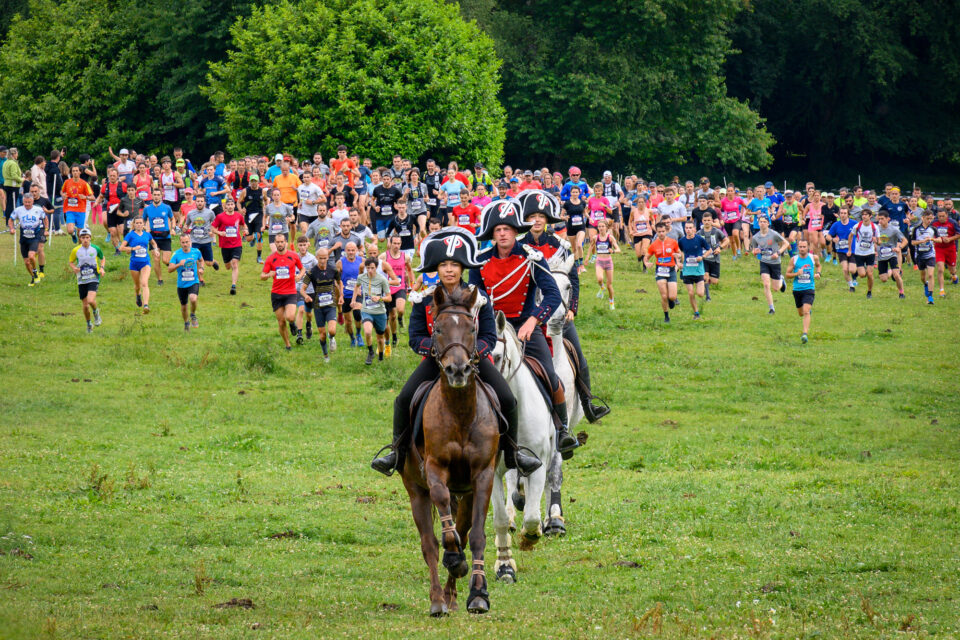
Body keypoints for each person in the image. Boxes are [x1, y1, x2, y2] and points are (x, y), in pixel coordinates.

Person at [371, 227, 541, 477]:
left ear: (463, 268)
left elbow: (489, 337)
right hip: (437, 362)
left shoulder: (479, 298)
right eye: (443, 265)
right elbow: (415, 338)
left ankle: (514, 451)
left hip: (474, 362)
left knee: (507, 398)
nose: (449, 270)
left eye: (454, 264)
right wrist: (438, 352)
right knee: (404, 398)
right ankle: (396, 451)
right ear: (436, 269)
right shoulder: (423, 299)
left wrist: (474, 354)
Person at [471, 199, 579, 456]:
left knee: (551, 377)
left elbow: (552, 295)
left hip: (525, 326)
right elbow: (475, 297)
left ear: (516, 231)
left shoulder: (533, 258)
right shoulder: (480, 261)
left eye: (507, 229)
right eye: (497, 230)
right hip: (492, 329)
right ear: (492, 234)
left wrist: (534, 320)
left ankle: (562, 430)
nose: (502, 233)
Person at [516, 190, 609, 423]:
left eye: (541, 215)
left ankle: (588, 403)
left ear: (547, 219)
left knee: (579, 356)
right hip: (528, 314)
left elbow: (573, 279)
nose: (536, 220)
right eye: (532, 216)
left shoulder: (561, 245)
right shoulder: (517, 246)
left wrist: (571, 309)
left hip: (557, 314)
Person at [260, 233, 303, 350]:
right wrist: (270, 274)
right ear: (275, 243)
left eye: (281, 242)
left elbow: (302, 268)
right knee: (281, 322)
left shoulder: (293, 256)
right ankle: (287, 345)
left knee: (290, 317)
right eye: (277, 242)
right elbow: (262, 276)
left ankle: (292, 324)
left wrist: (299, 276)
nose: (279, 244)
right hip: (277, 293)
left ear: (285, 242)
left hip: (290, 292)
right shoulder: (270, 258)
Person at [300, 247, 342, 362]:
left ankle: (332, 337)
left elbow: (339, 282)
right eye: (320, 258)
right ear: (317, 258)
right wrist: (306, 296)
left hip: (331, 305)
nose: (323, 261)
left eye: (325, 258)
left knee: (332, 330)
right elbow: (302, 289)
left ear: (328, 258)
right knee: (322, 334)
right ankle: (326, 356)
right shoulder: (312, 272)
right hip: (318, 307)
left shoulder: (333, 270)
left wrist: (341, 295)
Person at [352, 257, 392, 365]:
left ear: (376, 267)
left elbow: (389, 298)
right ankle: (370, 352)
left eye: (372, 268)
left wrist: (379, 298)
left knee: (380, 339)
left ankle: (380, 358)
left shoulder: (382, 280)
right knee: (368, 331)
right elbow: (356, 286)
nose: (370, 270)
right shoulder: (361, 277)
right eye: (368, 268)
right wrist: (353, 300)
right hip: (366, 310)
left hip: (380, 312)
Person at [748, 215, 790, 314]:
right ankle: (771, 308)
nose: (762, 223)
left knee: (776, 288)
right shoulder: (755, 237)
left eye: (764, 222)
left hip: (775, 262)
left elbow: (786, 244)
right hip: (764, 262)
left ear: (768, 223)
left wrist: (778, 253)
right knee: (766, 284)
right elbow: (754, 250)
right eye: (760, 222)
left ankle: (781, 279)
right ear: (758, 223)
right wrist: (755, 252)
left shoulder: (774, 234)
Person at [381, 233, 414, 351]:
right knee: (392, 316)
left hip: (400, 287)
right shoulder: (384, 256)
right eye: (394, 243)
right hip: (388, 289)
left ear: (401, 244)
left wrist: (412, 284)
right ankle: (394, 335)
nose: (396, 246)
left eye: (398, 243)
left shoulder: (405, 257)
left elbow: (410, 270)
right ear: (390, 243)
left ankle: (401, 318)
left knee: (400, 310)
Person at [120, 216, 159, 312]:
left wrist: (155, 250)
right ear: (133, 225)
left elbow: (153, 243)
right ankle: (138, 295)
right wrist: (132, 249)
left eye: (140, 223)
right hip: (134, 264)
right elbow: (121, 248)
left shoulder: (147, 235)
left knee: (144, 283)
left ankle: (146, 305)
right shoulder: (130, 235)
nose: (139, 225)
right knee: (137, 286)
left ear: (143, 224)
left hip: (145, 262)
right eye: (137, 223)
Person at [784, 239, 820, 343]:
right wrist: (796, 274)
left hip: (809, 289)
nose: (802, 249)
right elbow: (787, 274)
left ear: (808, 247)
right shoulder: (794, 260)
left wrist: (818, 273)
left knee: (805, 311)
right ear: (798, 248)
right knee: (801, 313)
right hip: (797, 290)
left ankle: (805, 334)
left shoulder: (813, 258)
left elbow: (819, 266)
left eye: (804, 247)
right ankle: (806, 311)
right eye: (800, 247)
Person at [68, 228, 104, 332]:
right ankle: (89, 324)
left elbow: (102, 258)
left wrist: (102, 268)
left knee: (91, 300)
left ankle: (96, 313)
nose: (85, 240)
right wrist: (74, 268)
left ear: (90, 238)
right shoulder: (76, 250)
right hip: (81, 279)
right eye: (83, 238)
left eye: (87, 238)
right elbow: (71, 261)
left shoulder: (96, 248)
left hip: (94, 277)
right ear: (80, 238)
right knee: (85, 306)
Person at [8, 193, 47, 286]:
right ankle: (34, 277)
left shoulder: (38, 210)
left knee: (31, 256)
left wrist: (46, 230)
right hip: (24, 238)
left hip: (34, 237)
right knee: (26, 262)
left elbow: (45, 219)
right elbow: (10, 220)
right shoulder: (18, 210)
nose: (27, 204)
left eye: (29, 202)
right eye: (25, 202)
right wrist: (11, 229)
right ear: (23, 201)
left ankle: (35, 270)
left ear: (32, 201)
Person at [677, 219, 713, 319]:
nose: (688, 230)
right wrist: (679, 262)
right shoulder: (681, 241)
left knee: (700, 294)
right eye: (686, 228)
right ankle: (696, 313)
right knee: (691, 293)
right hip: (687, 271)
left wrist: (702, 257)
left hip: (698, 271)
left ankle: (705, 289)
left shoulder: (699, 239)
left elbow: (709, 250)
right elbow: (678, 253)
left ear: (694, 229)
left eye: (690, 228)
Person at [646, 221, 680, 323]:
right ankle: (666, 316)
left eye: (663, 231)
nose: (661, 233)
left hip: (671, 269)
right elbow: (646, 257)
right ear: (656, 232)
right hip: (660, 270)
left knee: (672, 296)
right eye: (659, 231)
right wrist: (646, 263)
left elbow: (679, 252)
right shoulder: (654, 244)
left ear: (666, 231)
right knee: (664, 295)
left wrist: (678, 257)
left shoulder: (673, 242)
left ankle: (671, 300)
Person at [168, 233, 204, 331]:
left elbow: (201, 260)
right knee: (184, 306)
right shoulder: (176, 254)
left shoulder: (196, 251)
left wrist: (201, 268)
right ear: (180, 243)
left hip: (193, 282)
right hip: (181, 284)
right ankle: (186, 323)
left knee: (193, 299)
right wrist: (179, 264)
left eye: (187, 242)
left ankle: (193, 315)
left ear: (190, 242)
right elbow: (169, 269)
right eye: (183, 242)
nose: (185, 244)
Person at [212, 197, 247, 294]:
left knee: (235, 263)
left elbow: (243, 224)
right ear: (225, 206)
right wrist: (219, 232)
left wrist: (245, 229)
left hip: (237, 244)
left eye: (232, 204)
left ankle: (233, 286)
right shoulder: (220, 217)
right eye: (228, 205)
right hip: (225, 245)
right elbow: (212, 228)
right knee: (228, 266)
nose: (230, 206)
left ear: (234, 205)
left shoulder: (238, 216)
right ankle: (226, 265)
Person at [142, 187, 175, 286]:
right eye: (155, 195)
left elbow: (172, 219)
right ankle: (160, 280)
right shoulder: (147, 209)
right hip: (153, 238)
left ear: (161, 196)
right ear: (152, 196)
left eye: (158, 195)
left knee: (165, 260)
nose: (156, 197)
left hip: (165, 237)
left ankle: (173, 265)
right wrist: (144, 228)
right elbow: (143, 220)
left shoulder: (167, 207)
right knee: (156, 259)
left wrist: (173, 228)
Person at [184, 193, 219, 284]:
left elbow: (215, 224)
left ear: (204, 202)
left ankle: (213, 261)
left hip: (206, 240)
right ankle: (201, 280)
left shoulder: (210, 213)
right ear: (195, 202)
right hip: (195, 240)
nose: (200, 203)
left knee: (208, 263)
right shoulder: (191, 213)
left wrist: (213, 231)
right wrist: (185, 228)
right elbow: (187, 224)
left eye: (201, 201)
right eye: (198, 201)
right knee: (196, 260)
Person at [338, 241, 365, 347]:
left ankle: (358, 334)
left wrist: (362, 288)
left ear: (357, 251)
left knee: (357, 313)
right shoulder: (340, 262)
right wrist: (340, 290)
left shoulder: (362, 261)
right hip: (346, 295)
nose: (351, 252)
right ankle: (352, 338)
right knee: (348, 321)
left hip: (358, 294)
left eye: (353, 250)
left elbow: (369, 274)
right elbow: (336, 279)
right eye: (348, 250)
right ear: (345, 251)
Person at [293, 235, 319, 344]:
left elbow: (318, 271)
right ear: (297, 246)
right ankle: (299, 333)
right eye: (300, 245)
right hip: (298, 288)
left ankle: (309, 324)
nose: (303, 247)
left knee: (308, 313)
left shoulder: (312, 259)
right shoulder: (294, 257)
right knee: (301, 309)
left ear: (308, 245)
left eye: (304, 245)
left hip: (310, 289)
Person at [876, 210, 907, 298]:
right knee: (883, 279)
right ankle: (890, 271)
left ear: (888, 219)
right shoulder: (876, 229)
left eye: (882, 219)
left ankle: (901, 292)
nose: (880, 221)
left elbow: (905, 240)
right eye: (879, 219)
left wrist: (899, 248)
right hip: (881, 256)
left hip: (892, 254)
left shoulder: (894, 229)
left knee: (896, 275)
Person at [590, 218, 620, 309]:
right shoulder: (595, 238)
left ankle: (611, 302)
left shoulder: (610, 237)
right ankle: (602, 287)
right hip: (599, 261)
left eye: (603, 226)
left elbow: (618, 249)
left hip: (608, 262)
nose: (601, 228)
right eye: (599, 226)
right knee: (599, 279)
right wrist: (592, 256)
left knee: (609, 285)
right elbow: (592, 248)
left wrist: (613, 251)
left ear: (606, 227)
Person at [826, 207, 858, 291]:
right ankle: (851, 286)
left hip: (853, 250)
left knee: (852, 270)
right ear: (839, 214)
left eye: (845, 213)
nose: (843, 215)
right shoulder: (836, 225)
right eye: (841, 213)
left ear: (848, 214)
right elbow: (828, 236)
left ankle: (856, 271)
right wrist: (833, 239)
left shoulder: (854, 223)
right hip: (841, 250)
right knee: (845, 269)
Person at [848, 209, 878, 298]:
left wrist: (877, 243)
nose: (864, 216)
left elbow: (879, 241)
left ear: (870, 216)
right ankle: (862, 269)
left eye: (866, 215)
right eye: (863, 215)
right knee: (862, 275)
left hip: (870, 253)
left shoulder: (874, 227)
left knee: (870, 274)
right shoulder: (857, 226)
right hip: (859, 253)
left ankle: (869, 292)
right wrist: (849, 249)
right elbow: (850, 236)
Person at [697, 212, 727, 300]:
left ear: (712, 221)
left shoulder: (716, 231)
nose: (707, 222)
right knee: (705, 275)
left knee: (714, 281)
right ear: (702, 221)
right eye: (705, 220)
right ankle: (708, 296)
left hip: (714, 259)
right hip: (704, 259)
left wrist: (720, 248)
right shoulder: (699, 233)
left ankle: (704, 285)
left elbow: (726, 240)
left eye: (709, 220)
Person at [61, 164, 95, 242]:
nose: (75, 172)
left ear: (80, 172)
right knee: (70, 230)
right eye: (73, 171)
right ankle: (73, 233)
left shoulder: (84, 184)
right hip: (69, 209)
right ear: (71, 172)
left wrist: (85, 197)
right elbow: (62, 192)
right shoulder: (67, 182)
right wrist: (63, 195)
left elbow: (93, 197)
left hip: (81, 210)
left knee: (81, 234)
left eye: (77, 171)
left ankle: (80, 250)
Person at [932, 208, 960, 296]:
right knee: (940, 268)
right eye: (939, 216)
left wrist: (950, 239)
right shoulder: (934, 223)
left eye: (943, 216)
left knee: (952, 268)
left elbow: (958, 234)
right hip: (939, 248)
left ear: (947, 215)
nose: (941, 218)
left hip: (950, 248)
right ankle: (941, 290)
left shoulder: (952, 222)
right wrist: (933, 240)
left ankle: (954, 276)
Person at [911, 209, 938, 304]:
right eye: (927, 218)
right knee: (923, 277)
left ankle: (930, 297)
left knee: (930, 275)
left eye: (931, 219)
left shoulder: (933, 229)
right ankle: (925, 284)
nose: (929, 220)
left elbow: (939, 240)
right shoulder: (916, 229)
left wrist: (931, 239)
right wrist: (922, 241)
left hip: (930, 255)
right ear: (922, 218)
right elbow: (913, 242)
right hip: (919, 255)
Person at [263, 188, 295, 253]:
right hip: (273, 232)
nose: (276, 197)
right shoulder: (269, 207)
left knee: (283, 252)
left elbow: (292, 216)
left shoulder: (286, 207)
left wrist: (290, 219)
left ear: (280, 196)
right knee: (275, 252)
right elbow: (265, 216)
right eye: (274, 195)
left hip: (283, 231)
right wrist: (263, 225)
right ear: (272, 196)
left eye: (278, 195)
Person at [563, 185, 588, 269]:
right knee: (574, 248)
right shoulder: (567, 203)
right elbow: (561, 215)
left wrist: (589, 217)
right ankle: (577, 265)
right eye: (573, 192)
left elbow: (585, 213)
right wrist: (565, 217)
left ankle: (581, 264)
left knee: (579, 245)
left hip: (581, 227)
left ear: (579, 193)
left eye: (576, 192)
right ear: (570, 193)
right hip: (571, 228)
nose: (575, 193)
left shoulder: (582, 202)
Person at [627, 197, 654, 270]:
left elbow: (653, 219)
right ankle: (640, 259)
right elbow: (630, 221)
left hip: (647, 232)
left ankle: (644, 267)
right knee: (638, 254)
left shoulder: (649, 211)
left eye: (642, 202)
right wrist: (630, 230)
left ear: (645, 203)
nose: (641, 204)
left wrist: (653, 225)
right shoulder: (633, 211)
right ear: (637, 203)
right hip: (637, 233)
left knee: (644, 250)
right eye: (639, 202)